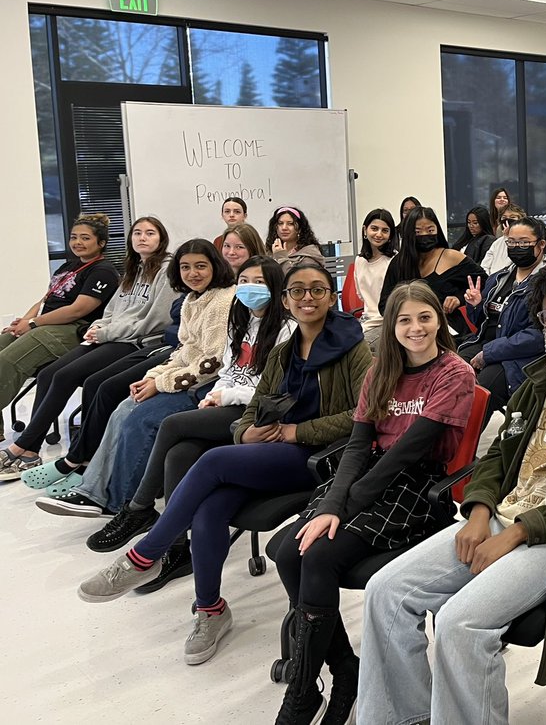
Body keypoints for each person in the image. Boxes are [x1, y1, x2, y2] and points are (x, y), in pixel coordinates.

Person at [355, 258, 546, 725]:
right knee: (385, 591)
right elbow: (496, 457)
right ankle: (403, 717)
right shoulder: (538, 381)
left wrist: (516, 533)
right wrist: (478, 511)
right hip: (499, 514)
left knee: (460, 623)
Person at [76, 261, 372, 671]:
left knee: (212, 459)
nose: (308, 298)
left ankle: (146, 556)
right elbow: (255, 407)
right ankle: (210, 609)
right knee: (209, 509)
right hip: (272, 452)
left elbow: (362, 417)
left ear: (331, 296)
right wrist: (245, 433)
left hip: (319, 459)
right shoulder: (285, 351)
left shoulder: (354, 347)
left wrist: (296, 432)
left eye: (318, 290)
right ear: (285, 299)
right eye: (298, 291)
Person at [271, 282, 477, 725]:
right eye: (404, 320)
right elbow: (358, 445)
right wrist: (333, 500)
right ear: (391, 326)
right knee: (288, 551)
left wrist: (340, 508)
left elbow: (408, 452)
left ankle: (302, 693)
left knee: (318, 554)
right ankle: (345, 671)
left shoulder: (455, 373)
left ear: (439, 320)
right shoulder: (380, 371)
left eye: (425, 317)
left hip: (416, 485)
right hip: (370, 475)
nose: (415, 327)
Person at [80, 257, 295, 590]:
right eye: (245, 280)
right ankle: (178, 549)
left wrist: (225, 398)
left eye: (260, 282)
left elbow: (272, 388)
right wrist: (218, 392)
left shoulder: (287, 329)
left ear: (276, 287)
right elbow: (228, 370)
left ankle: (140, 509)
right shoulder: (240, 321)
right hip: (227, 401)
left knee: (172, 425)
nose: (251, 288)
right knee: (178, 454)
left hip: (255, 412)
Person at [36, 240, 237, 517]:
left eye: (201, 266)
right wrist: (153, 377)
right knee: (123, 409)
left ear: (216, 266)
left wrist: (161, 384)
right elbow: (185, 352)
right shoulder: (193, 299)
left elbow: (212, 362)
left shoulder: (223, 300)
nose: (193, 273)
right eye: (186, 267)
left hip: (211, 385)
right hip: (188, 377)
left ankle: (119, 501)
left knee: (140, 417)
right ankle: (92, 490)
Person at [0, 217, 176, 478]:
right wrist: (99, 327)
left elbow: (154, 321)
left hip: (135, 341)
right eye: (137, 232)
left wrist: (107, 331)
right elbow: (112, 309)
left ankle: (22, 446)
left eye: (150, 233)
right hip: (107, 334)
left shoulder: (167, 270)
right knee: (50, 374)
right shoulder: (133, 268)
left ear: (161, 239)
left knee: (69, 376)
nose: (142, 237)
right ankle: (29, 449)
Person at [0, 213, 118, 415]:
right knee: (4, 341)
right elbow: (45, 299)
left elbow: (78, 310)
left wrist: (34, 324)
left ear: (101, 243)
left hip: (73, 329)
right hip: (45, 324)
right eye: (74, 237)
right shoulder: (68, 266)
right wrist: (25, 321)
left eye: (85, 238)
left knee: (6, 361)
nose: (77, 242)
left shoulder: (103, 271)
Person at [458, 217, 546, 423]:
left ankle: (462, 450)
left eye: (524, 243)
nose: (517, 248)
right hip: (484, 344)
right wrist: (476, 305)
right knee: (449, 375)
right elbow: (481, 322)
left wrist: (490, 353)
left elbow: (539, 336)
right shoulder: (499, 278)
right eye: (512, 242)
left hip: (518, 357)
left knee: (482, 389)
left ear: (541, 244)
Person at [379, 207, 485, 317]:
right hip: (411, 328)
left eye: (430, 230)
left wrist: (459, 298)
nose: (425, 235)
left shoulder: (451, 257)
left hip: (447, 326)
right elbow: (384, 305)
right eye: (418, 232)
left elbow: (484, 282)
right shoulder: (399, 263)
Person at [352, 208, 397, 350]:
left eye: (385, 230)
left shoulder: (394, 261)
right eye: (374, 228)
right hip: (367, 321)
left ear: (390, 235)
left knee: (358, 350)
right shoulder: (360, 260)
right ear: (365, 230)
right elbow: (361, 294)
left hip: (387, 323)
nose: (379, 234)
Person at [267, 206, 324, 273]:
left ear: (300, 229)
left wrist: (281, 258)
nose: (284, 228)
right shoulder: (270, 252)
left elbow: (297, 281)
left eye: (290, 224)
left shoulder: (308, 255)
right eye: (280, 223)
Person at [481, 205, 528, 275]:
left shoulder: (525, 241)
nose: (507, 220)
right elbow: (485, 266)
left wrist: (508, 238)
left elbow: (512, 262)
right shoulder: (496, 243)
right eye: (504, 217)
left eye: (512, 217)